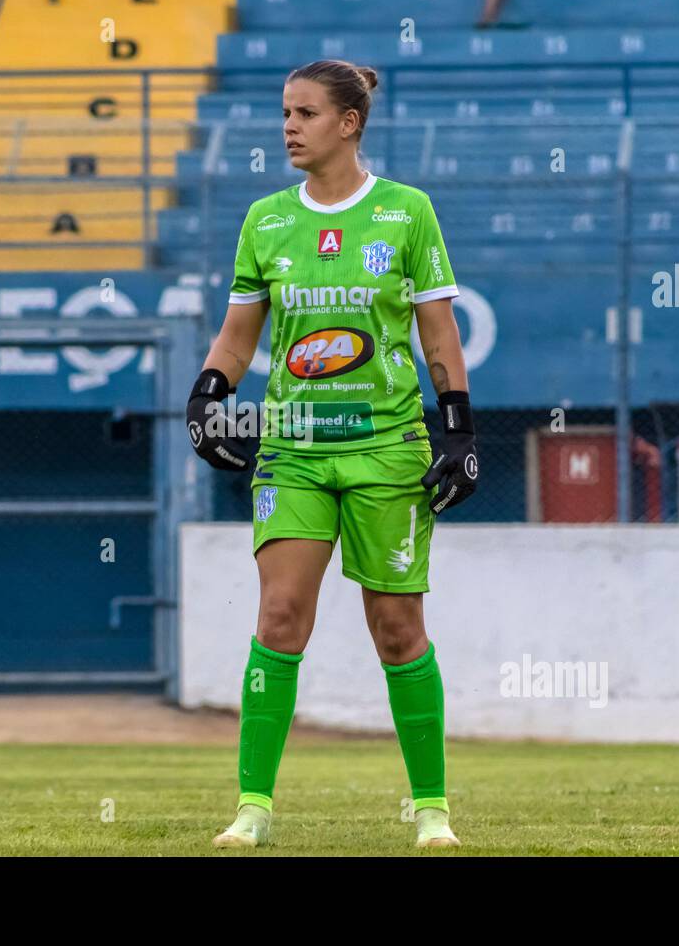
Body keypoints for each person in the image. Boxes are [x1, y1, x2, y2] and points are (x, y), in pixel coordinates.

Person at [186, 59, 479, 850]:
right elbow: (240, 332)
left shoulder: (406, 213)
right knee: (280, 616)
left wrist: (456, 429)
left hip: (388, 447)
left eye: (305, 113)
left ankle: (431, 812)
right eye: (284, 112)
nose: (288, 126)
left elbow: (438, 332)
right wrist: (208, 395)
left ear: (349, 123)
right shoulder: (265, 221)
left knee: (396, 626)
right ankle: (252, 809)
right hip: (295, 451)